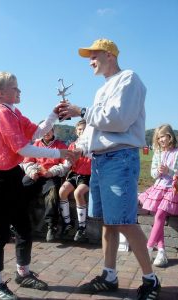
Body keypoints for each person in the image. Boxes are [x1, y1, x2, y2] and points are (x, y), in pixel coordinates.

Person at [58, 38, 161, 299]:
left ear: (109, 55)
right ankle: (109, 275)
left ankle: (151, 280)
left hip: (120, 159)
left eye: (93, 56)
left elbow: (118, 120)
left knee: (124, 221)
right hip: (102, 161)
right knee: (108, 222)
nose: (90, 62)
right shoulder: (102, 90)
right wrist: (76, 150)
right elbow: (94, 130)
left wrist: (81, 110)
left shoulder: (129, 79)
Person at [0, 71, 75, 300]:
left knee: (23, 227)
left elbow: (36, 132)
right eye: (15, 88)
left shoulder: (14, 112)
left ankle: (22, 273)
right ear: (0, 93)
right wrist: (59, 152)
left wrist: (53, 115)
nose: (19, 91)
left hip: (11, 175)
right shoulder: (1, 113)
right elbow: (23, 149)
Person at [139, 124, 178, 267]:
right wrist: (159, 172)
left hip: (172, 189)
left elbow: (177, 174)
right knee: (158, 218)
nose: (161, 139)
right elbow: (153, 173)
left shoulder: (177, 152)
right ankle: (161, 252)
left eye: (163, 136)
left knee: (159, 215)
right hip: (158, 188)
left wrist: (169, 171)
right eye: (159, 137)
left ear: (170, 136)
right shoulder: (157, 153)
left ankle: (148, 248)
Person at [21, 126, 69, 242]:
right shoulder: (35, 145)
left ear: (53, 131)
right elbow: (26, 162)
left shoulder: (61, 146)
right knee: (21, 187)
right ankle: (19, 221)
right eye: (43, 131)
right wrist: (32, 171)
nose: (46, 133)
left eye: (49, 130)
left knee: (52, 192)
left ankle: (51, 225)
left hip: (51, 176)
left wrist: (52, 172)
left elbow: (66, 165)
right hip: (36, 174)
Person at [59, 119, 91, 241]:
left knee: (78, 193)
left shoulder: (91, 145)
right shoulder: (72, 145)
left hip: (87, 175)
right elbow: (67, 164)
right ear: (76, 131)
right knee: (62, 191)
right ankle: (68, 223)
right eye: (79, 129)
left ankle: (82, 227)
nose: (82, 131)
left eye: (84, 129)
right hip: (74, 174)